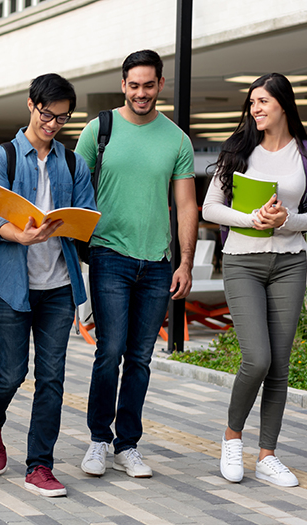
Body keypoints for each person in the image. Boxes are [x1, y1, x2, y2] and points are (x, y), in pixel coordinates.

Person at [75, 50, 198, 478]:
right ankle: (97, 439)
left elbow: (185, 205)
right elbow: (73, 185)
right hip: (109, 254)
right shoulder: (99, 129)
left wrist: (185, 262)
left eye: (149, 85)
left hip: (158, 263)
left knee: (140, 357)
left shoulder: (177, 140)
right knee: (109, 351)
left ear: (160, 84)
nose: (141, 92)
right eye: (134, 85)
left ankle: (127, 444)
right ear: (123, 85)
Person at [203, 73, 307, 487]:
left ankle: (268, 455)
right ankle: (232, 437)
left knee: (280, 365)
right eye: (252, 102)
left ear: (284, 105)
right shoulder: (238, 150)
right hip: (242, 262)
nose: (255, 108)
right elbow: (211, 209)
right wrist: (251, 219)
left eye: (263, 101)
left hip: (290, 262)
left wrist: (287, 220)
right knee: (257, 357)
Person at [0, 74, 96, 497]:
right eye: (48, 114)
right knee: (11, 372)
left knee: (52, 378)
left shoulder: (72, 162)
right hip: (13, 284)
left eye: (62, 118)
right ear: (31, 105)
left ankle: (39, 465)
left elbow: (88, 216)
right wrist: (19, 234)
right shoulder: (1, 157)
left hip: (59, 286)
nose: (53, 124)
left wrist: (76, 223)